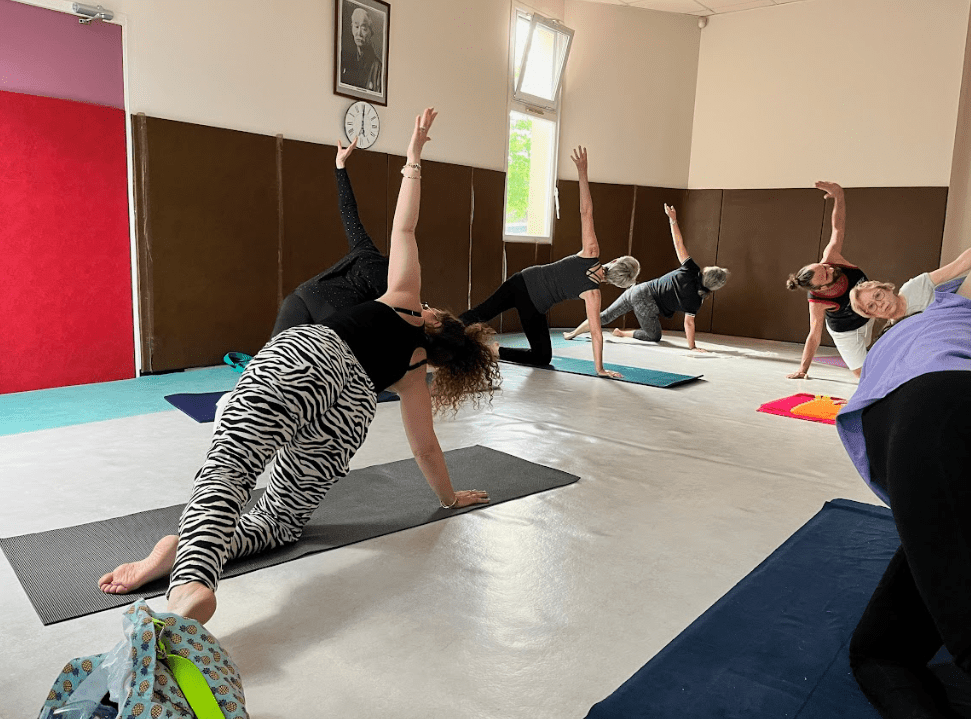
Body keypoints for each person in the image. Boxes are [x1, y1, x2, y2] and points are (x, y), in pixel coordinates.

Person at [98, 108, 500, 624]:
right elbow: (424, 447)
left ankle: (192, 579)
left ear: (434, 317)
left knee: (232, 466)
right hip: (350, 412)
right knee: (280, 522)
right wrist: (448, 499)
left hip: (309, 356)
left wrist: (414, 158)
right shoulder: (415, 377)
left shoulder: (404, 298)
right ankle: (185, 556)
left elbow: (405, 226)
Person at [834, 271, 971, 719]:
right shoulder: (882, 345)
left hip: (934, 411)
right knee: (879, 653)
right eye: (867, 308)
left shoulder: (940, 298)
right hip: (924, 422)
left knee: (883, 654)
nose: (874, 305)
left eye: (874, 296)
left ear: (890, 288)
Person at [459, 147, 639, 378]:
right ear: (617, 283)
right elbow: (596, 333)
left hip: (523, 282)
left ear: (614, 261)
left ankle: (440, 329)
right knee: (541, 357)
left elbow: (586, 211)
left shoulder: (591, 252)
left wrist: (582, 172)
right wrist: (600, 369)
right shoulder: (593, 295)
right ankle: (494, 351)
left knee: (479, 314)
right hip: (531, 301)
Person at [563, 203, 729, 351]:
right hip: (646, 303)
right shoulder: (696, 301)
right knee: (654, 336)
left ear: (707, 272)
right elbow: (689, 323)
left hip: (638, 289)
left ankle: (573, 333)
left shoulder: (691, 269)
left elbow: (679, 245)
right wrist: (692, 347)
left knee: (604, 316)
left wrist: (673, 220)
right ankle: (622, 333)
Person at [271, 135, 387, 337]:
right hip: (331, 313)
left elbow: (348, 209)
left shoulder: (365, 247)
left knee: (271, 362)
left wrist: (340, 166)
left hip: (304, 296)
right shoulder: (392, 291)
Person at [785, 181, 872, 379]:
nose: (829, 267)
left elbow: (838, 228)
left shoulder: (832, 258)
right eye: (825, 273)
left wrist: (839, 195)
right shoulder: (817, 301)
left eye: (823, 266)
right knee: (864, 376)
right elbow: (814, 336)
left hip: (867, 317)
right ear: (821, 287)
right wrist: (803, 369)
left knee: (869, 346)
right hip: (846, 333)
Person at [848, 246, 971, 325]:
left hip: (960, 312)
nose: (880, 304)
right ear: (873, 315)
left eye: (878, 295)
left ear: (888, 288)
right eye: (871, 306)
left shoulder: (913, 287)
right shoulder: (894, 332)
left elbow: (959, 265)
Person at [340, 7, 382, 93]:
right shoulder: (344, 59)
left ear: (371, 32)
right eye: (356, 26)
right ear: (352, 28)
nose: (359, 33)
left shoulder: (377, 67)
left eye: (364, 29)